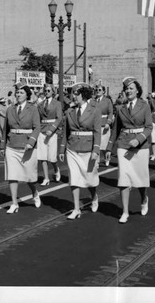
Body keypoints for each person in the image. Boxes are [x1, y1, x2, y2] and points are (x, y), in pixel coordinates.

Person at [106, 77, 152, 223]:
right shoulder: (120, 108)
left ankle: (144, 198)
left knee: (140, 179)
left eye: (131, 88)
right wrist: (109, 147)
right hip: (123, 145)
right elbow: (115, 129)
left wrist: (138, 139)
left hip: (140, 146)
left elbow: (149, 127)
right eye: (126, 89)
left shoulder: (144, 106)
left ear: (137, 90)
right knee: (124, 179)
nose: (128, 91)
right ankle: (125, 211)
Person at [59, 82, 101, 220]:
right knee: (74, 179)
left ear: (83, 95)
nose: (73, 97)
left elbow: (97, 132)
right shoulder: (69, 111)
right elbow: (66, 132)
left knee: (90, 179)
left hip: (88, 149)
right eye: (73, 94)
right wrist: (61, 149)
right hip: (72, 148)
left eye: (76, 94)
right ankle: (76, 208)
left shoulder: (94, 110)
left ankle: (94, 196)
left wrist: (96, 149)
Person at [0, 81, 41, 214]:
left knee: (29, 176)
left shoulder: (33, 108)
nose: (18, 94)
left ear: (27, 95)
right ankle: (14, 203)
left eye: (21, 92)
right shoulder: (10, 109)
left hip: (27, 145)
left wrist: (31, 142)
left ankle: (34, 192)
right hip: (12, 145)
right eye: (17, 92)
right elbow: (5, 128)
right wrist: (2, 145)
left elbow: (37, 127)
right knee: (12, 175)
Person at [37, 84, 63, 185]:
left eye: (48, 91)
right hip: (42, 131)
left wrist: (52, 129)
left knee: (52, 157)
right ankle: (46, 178)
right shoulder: (40, 104)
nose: (46, 92)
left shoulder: (57, 103)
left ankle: (56, 169)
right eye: (45, 91)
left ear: (53, 92)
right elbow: (38, 118)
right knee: (42, 157)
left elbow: (59, 117)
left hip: (52, 132)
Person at [93, 85, 114, 167]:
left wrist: (108, 123)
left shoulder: (107, 101)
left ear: (103, 91)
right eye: (96, 89)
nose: (98, 91)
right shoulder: (93, 100)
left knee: (104, 146)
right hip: (96, 125)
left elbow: (110, 112)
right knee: (96, 144)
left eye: (99, 90)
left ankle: (107, 157)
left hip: (104, 124)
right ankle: (96, 162)